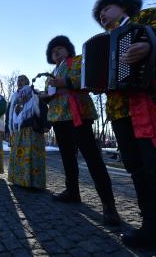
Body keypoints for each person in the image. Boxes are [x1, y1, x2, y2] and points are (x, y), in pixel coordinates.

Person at [93, 0, 156, 255]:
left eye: (106, 8)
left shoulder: (148, 17)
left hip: (154, 102)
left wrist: (152, 46)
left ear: (123, 6)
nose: (102, 15)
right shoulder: (104, 42)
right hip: (120, 112)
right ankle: (151, 228)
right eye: (98, 15)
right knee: (137, 170)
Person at [41, 36, 120, 225]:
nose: (56, 52)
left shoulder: (77, 62)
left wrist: (64, 82)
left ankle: (109, 205)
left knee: (92, 158)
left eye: (60, 48)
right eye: (53, 51)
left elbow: (86, 80)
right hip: (59, 118)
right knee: (67, 158)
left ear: (68, 49)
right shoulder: (52, 71)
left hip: (79, 115)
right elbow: (51, 94)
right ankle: (72, 191)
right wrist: (43, 96)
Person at [7, 75, 48, 189]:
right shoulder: (14, 97)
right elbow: (10, 115)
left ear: (27, 82)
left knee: (33, 155)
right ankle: (20, 180)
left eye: (22, 80)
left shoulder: (34, 92)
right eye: (18, 80)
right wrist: (18, 107)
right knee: (20, 155)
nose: (19, 82)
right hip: (19, 131)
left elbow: (43, 106)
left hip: (33, 129)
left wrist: (46, 124)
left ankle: (34, 183)